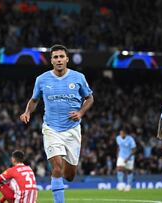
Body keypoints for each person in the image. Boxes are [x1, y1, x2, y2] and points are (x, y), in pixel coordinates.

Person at [20, 44, 94, 203]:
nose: (59, 60)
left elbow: (90, 98)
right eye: (55, 57)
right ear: (51, 60)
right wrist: (27, 112)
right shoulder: (41, 79)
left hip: (72, 130)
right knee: (57, 167)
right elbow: (34, 100)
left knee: (70, 175)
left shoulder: (78, 77)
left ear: (67, 59)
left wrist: (80, 112)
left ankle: (66, 174)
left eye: (61, 57)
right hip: (51, 129)